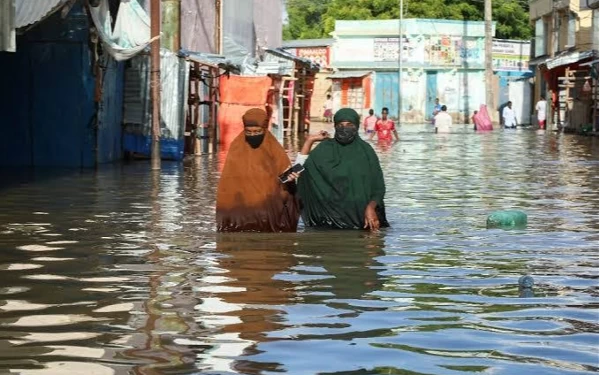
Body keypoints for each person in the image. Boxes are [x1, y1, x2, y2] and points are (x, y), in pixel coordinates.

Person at [295, 108, 389, 231]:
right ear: (335, 126)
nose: (345, 128)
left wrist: (371, 207)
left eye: (350, 125)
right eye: (340, 125)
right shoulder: (325, 149)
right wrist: (309, 141)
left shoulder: (366, 152)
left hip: (363, 222)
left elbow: (379, 187)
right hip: (328, 223)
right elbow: (297, 172)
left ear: (356, 126)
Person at [216, 108, 300, 232]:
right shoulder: (237, 147)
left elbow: (285, 179)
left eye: (257, 131)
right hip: (241, 213)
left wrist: (290, 179)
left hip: (269, 212)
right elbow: (228, 184)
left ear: (265, 129)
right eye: (248, 132)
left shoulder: (274, 148)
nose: (253, 135)